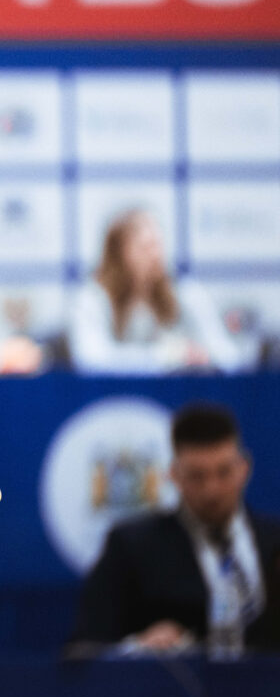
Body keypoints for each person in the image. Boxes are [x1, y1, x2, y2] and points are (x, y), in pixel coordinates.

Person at [72, 402, 279, 655]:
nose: (212, 490)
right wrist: (138, 646)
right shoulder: (133, 547)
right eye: (197, 476)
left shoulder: (274, 541)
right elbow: (83, 647)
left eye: (223, 472)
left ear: (244, 469)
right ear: (174, 475)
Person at [68, 208, 245, 375]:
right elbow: (90, 359)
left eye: (158, 245)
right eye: (145, 247)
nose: (155, 255)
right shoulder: (92, 298)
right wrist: (165, 356)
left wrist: (199, 356)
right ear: (119, 254)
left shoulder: (184, 293)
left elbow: (227, 356)